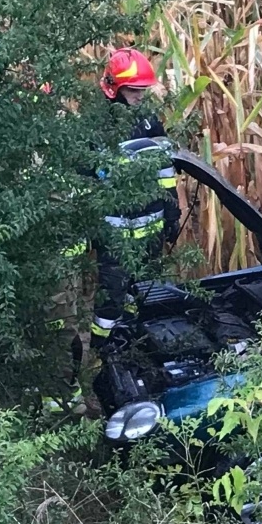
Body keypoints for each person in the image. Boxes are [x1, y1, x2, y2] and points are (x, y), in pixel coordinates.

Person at [91, 47, 181, 355]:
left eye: (144, 90)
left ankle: (130, 348)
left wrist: (172, 211)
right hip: (115, 236)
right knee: (110, 301)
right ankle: (99, 357)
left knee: (138, 294)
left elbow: (165, 168)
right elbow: (92, 178)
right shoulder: (98, 125)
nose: (140, 96)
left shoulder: (148, 120)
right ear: (114, 88)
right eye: (134, 91)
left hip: (150, 229)